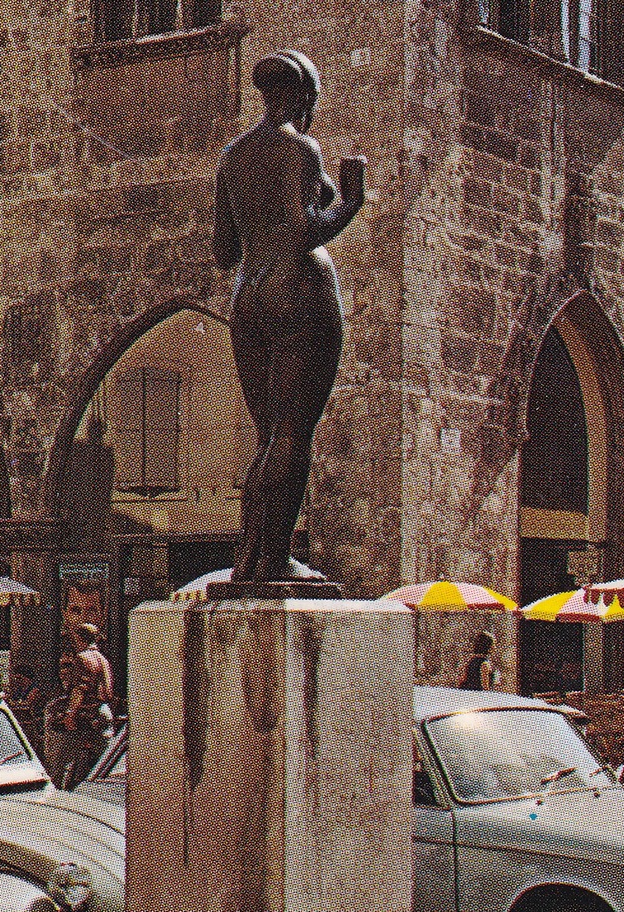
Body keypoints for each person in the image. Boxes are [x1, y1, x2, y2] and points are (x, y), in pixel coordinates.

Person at [213, 52, 367, 583]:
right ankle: (275, 559)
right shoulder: (300, 147)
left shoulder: (233, 157)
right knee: (294, 434)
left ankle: (249, 560)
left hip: (248, 295)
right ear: (304, 98)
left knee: (267, 436)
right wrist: (351, 201)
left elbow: (224, 249)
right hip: (300, 290)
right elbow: (306, 232)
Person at [54, 624, 114, 790]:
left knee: (62, 762)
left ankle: (56, 798)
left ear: (78, 638)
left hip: (84, 715)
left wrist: (70, 714)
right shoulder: (103, 659)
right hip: (103, 712)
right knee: (105, 764)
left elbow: (79, 689)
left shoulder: (82, 658)